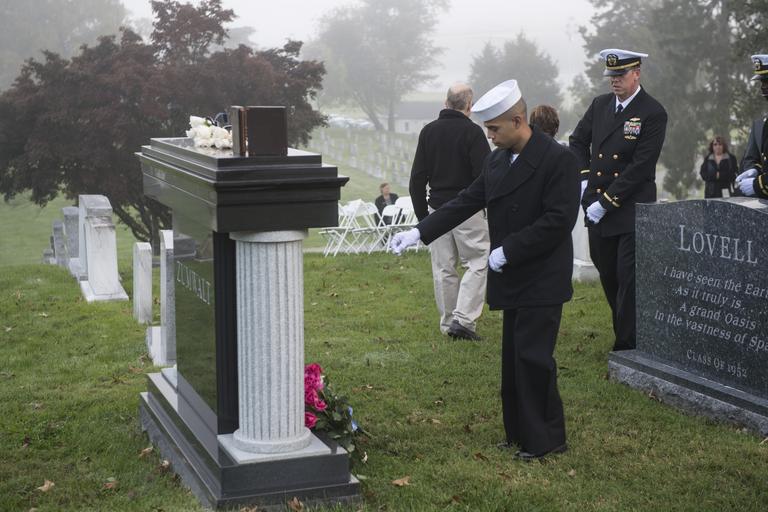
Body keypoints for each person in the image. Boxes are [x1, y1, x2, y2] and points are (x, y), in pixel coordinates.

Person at [392, 80, 579, 460]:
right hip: (512, 273)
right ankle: (519, 433)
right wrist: (420, 231)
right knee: (513, 359)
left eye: (494, 129)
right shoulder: (496, 161)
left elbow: (559, 219)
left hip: (541, 272)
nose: (489, 136)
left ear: (518, 121)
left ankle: (547, 439)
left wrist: (510, 250)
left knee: (534, 358)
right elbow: (466, 201)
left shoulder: (557, 159)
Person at [569, 49, 668, 352]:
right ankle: (629, 332)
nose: (614, 80)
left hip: (630, 208)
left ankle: (627, 346)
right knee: (608, 275)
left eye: (620, 75)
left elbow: (641, 166)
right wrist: (584, 179)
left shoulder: (652, 112)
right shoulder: (600, 105)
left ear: (636, 74)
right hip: (596, 206)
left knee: (628, 277)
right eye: (611, 75)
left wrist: (607, 201)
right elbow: (577, 141)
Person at [409, 83, 491, 340]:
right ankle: (463, 320)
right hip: (468, 209)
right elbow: (485, 176)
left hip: (436, 209)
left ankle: (448, 324)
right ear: (469, 106)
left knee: (444, 268)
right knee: (477, 262)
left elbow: (417, 178)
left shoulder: (428, 131)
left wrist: (424, 219)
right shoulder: (473, 132)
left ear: (446, 103)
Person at [736, 54, 768, 198]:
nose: (763, 87)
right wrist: (756, 170)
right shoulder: (764, 122)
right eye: (762, 82)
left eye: (766, 82)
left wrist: (759, 184)